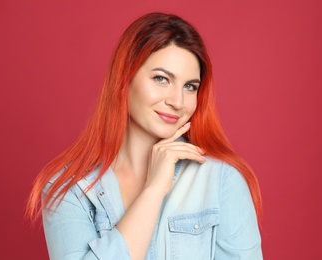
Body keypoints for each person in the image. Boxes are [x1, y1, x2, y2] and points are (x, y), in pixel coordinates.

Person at [26, 12, 263, 259]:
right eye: (161, 79)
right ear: (124, 79)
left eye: (190, 86)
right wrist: (153, 190)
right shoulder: (69, 188)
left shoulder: (221, 180)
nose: (177, 101)